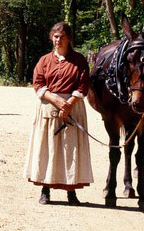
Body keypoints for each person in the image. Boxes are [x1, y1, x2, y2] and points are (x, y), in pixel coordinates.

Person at [26, 21, 93, 205]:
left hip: (72, 109)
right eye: (55, 36)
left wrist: (69, 104)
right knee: (48, 149)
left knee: (70, 150)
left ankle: (71, 193)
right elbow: (38, 84)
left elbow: (83, 84)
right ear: (51, 38)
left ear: (69, 38)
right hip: (48, 108)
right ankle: (45, 190)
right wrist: (56, 100)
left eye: (62, 37)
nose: (58, 40)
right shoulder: (44, 61)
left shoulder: (79, 60)